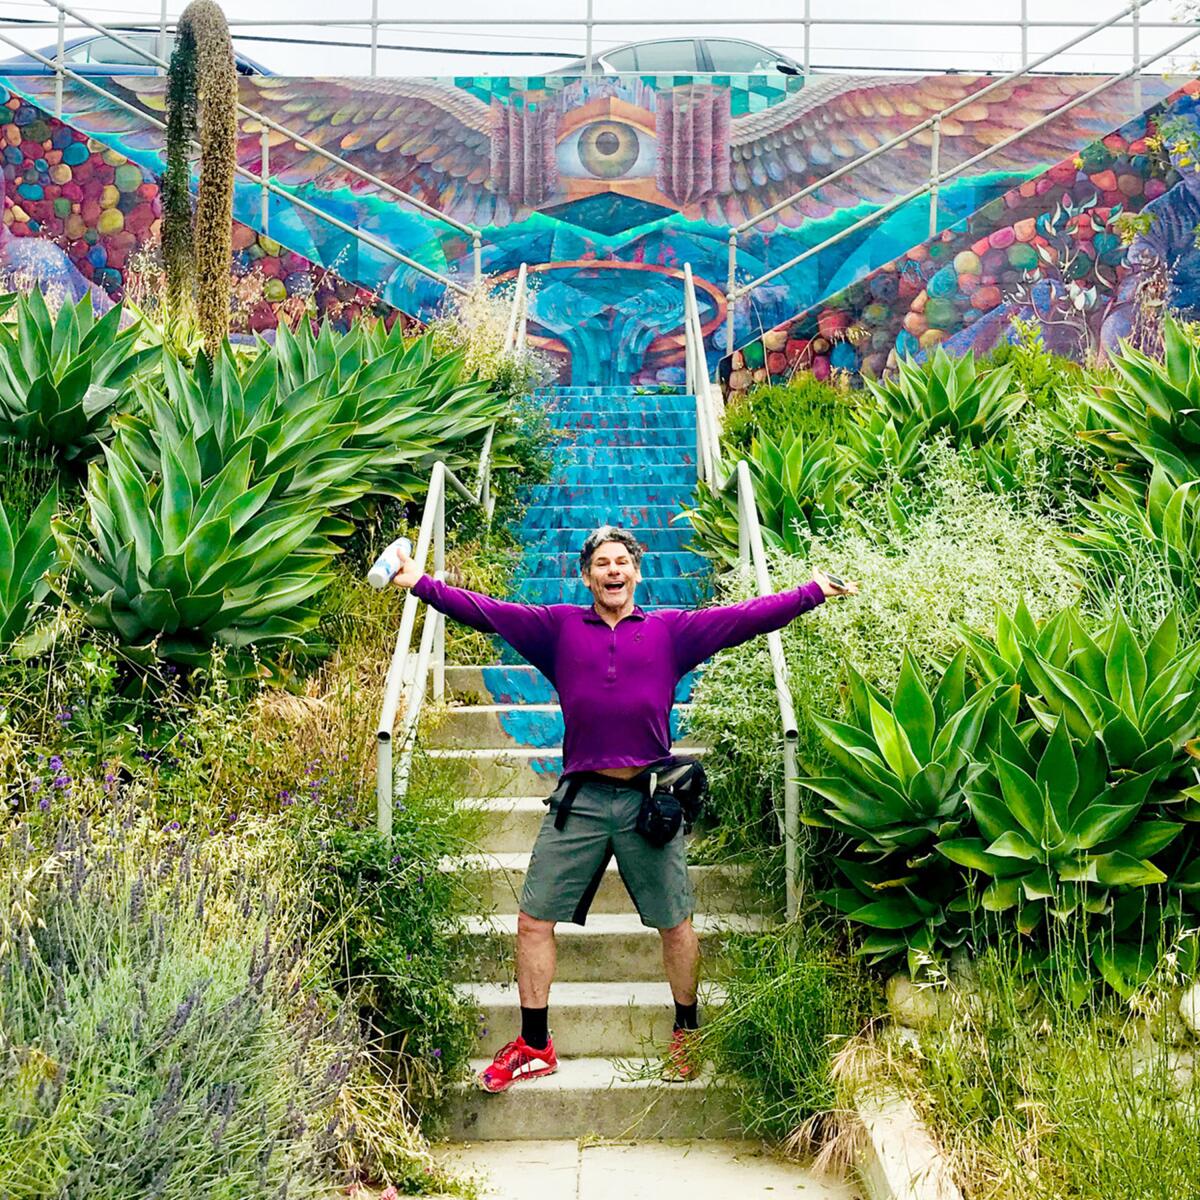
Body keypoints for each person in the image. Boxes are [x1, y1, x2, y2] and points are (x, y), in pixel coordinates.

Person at [390, 524, 857, 1092]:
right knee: (533, 920)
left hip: (647, 801)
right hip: (580, 801)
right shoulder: (557, 628)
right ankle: (535, 1044)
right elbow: (485, 611)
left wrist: (810, 591)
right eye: (603, 564)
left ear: (637, 573)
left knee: (675, 922)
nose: (614, 571)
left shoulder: (670, 633)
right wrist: (419, 582)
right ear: (587, 577)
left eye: (623, 563)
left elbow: (745, 619)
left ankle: (687, 1032)